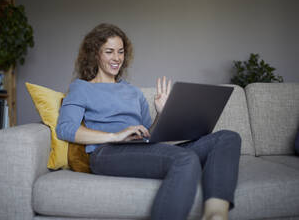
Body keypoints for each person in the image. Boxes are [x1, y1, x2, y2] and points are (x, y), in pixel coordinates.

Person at [56, 23, 241, 220]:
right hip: (106, 152)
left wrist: (162, 114)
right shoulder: (82, 88)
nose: (117, 58)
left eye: (120, 52)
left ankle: (216, 214)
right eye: (109, 52)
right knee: (185, 159)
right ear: (95, 54)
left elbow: (149, 135)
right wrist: (116, 136)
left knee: (227, 138)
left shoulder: (133, 92)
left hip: (139, 148)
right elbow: (65, 128)